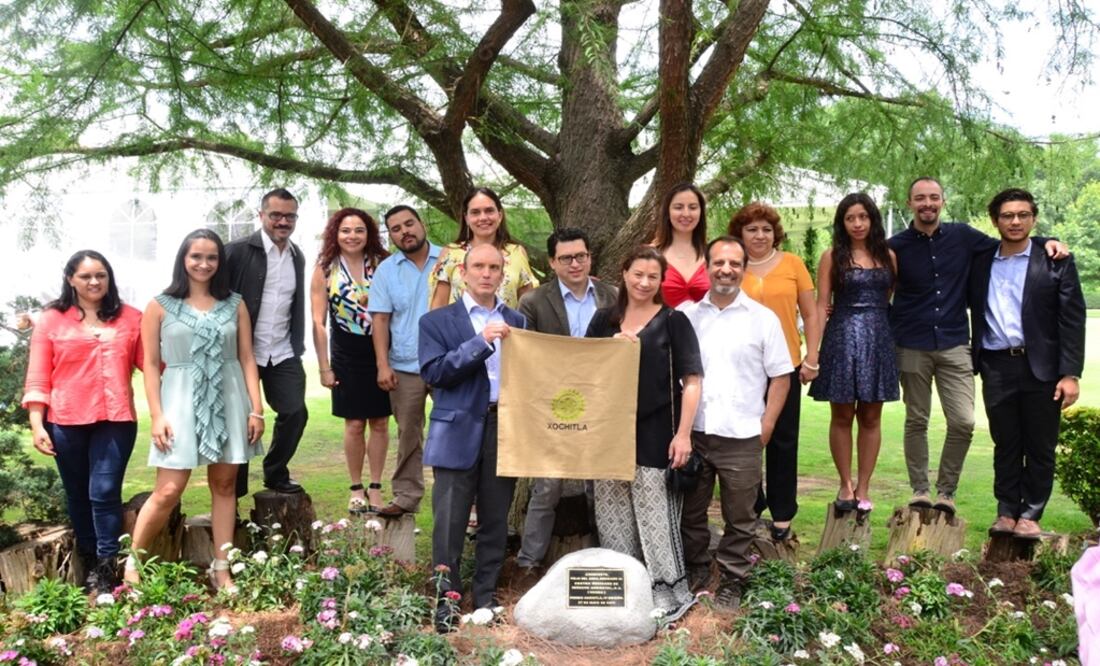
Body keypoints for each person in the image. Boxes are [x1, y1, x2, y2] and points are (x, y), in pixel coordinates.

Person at [890, 177, 1067, 514]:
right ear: (909, 202)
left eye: (934, 197)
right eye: (920, 198)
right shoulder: (894, 246)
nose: (927, 203)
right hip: (911, 343)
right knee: (916, 419)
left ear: (943, 201)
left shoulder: (963, 237)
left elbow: (1012, 239)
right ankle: (920, 489)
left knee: (963, 422)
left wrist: (1048, 241)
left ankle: (946, 491)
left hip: (956, 343)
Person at [125, 229, 265, 590]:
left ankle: (221, 568)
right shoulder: (159, 306)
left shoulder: (235, 304)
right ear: (183, 260)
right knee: (169, 489)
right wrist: (156, 415)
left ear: (220, 262)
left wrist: (257, 409)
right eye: (196, 256)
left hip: (229, 397)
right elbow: (152, 365)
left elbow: (247, 357)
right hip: (178, 401)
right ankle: (132, 562)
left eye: (212, 257)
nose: (204, 264)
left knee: (224, 483)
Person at [586, 245, 703, 619]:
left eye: (653, 276)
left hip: (656, 431)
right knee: (612, 515)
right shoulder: (603, 321)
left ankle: (668, 597)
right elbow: (582, 375)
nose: (644, 282)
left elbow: (693, 381)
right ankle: (625, 595)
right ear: (623, 272)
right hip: (608, 434)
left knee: (655, 517)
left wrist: (683, 434)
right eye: (638, 273)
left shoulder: (673, 321)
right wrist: (609, 351)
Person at [679, 236, 792, 609]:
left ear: (743, 269)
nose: (726, 269)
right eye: (718, 263)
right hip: (695, 433)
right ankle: (695, 570)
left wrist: (768, 425)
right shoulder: (687, 318)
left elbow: (781, 376)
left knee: (740, 517)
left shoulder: (763, 320)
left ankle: (732, 579)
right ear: (707, 267)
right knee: (690, 513)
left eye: (734, 264)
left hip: (743, 435)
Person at [420, 244, 527, 633]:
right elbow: (434, 372)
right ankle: (446, 603)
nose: (486, 273)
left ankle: (485, 598)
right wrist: (480, 342)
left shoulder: (518, 320)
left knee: (496, 520)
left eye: (494, 267)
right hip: (456, 430)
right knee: (449, 522)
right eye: (479, 266)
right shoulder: (436, 322)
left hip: (503, 428)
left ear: (502, 274)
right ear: (463, 272)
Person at [22, 250, 143, 593]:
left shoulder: (131, 318)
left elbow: (153, 364)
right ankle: (89, 558)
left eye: (101, 275)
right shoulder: (51, 320)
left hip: (116, 418)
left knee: (104, 492)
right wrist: (36, 422)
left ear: (109, 278)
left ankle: (107, 566)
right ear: (70, 279)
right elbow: (38, 374)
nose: (94, 282)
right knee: (78, 495)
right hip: (66, 419)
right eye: (86, 276)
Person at [969, 188, 1085, 539]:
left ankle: (1031, 515)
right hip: (996, 365)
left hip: (1043, 368)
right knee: (1006, 442)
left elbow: (1072, 318)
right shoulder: (980, 259)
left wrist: (1070, 373)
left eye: (1022, 215)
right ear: (995, 221)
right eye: (1007, 215)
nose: (1015, 221)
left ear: (1033, 218)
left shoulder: (1054, 259)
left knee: (1040, 444)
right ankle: (1006, 512)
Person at [514, 227, 616, 573]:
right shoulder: (533, 302)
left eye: (581, 256)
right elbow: (523, 357)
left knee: (599, 486)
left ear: (590, 257)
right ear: (552, 263)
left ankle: (608, 561)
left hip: (602, 407)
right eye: (566, 258)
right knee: (546, 487)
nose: (575, 263)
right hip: (552, 409)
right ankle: (528, 564)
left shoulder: (613, 296)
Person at [728, 202, 821, 541]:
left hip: (786, 365)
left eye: (766, 229)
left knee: (783, 439)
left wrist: (812, 357)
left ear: (775, 233)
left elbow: (810, 314)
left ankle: (782, 512)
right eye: (752, 229)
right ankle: (751, 505)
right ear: (740, 233)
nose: (760, 235)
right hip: (744, 368)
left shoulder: (793, 264)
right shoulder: (732, 266)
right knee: (745, 439)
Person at [809, 193, 899, 517]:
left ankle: (864, 486)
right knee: (843, 415)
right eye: (850, 218)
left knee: (872, 417)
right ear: (842, 222)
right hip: (842, 337)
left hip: (878, 339)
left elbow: (888, 298)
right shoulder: (831, 256)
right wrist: (813, 354)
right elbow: (821, 304)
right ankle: (844, 484)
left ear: (872, 219)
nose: (858, 223)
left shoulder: (888, 255)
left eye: (863, 217)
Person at [310, 207, 392, 513]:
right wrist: (324, 366)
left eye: (359, 230)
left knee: (381, 422)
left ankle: (376, 486)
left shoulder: (383, 264)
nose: (352, 236)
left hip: (382, 350)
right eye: (346, 230)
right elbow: (318, 321)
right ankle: (356, 487)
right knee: (355, 423)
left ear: (369, 233)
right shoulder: (325, 268)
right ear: (335, 233)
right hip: (345, 352)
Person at [227, 188, 308, 497]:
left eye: (289, 216)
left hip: (282, 351)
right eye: (276, 215)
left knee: (295, 412)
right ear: (262, 216)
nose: (282, 221)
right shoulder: (235, 251)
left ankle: (275, 472)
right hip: (240, 353)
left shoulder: (296, 255)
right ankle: (233, 493)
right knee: (241, 420)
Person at [368, 205, 442, 518]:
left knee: (451, 432)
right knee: (408, 433)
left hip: (447, 363)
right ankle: (406, 495)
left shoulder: (450, 260)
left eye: (409, 224)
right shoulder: (386, 270)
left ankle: (458, 498)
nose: (404, 232)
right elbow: (381, 320)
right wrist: (383, 365)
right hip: (404, 367)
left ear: (422, 223)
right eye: (396, 229)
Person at [429, 187, 538, 309]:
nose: (483, 218)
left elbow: (528, 308)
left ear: (500, 215)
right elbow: (437, 308)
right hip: (460, 328)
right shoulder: (451, 253)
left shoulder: (517, 252)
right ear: (466, 218)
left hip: (506, 327)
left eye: (489, 211)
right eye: (475, 212)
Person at [651, 183, 709, 307]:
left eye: (693, 207)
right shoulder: (648, 255)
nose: (686, 214)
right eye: (678, 207)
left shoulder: (714, 255)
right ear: (668, 211)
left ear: (701, 212)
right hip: (660, 326)